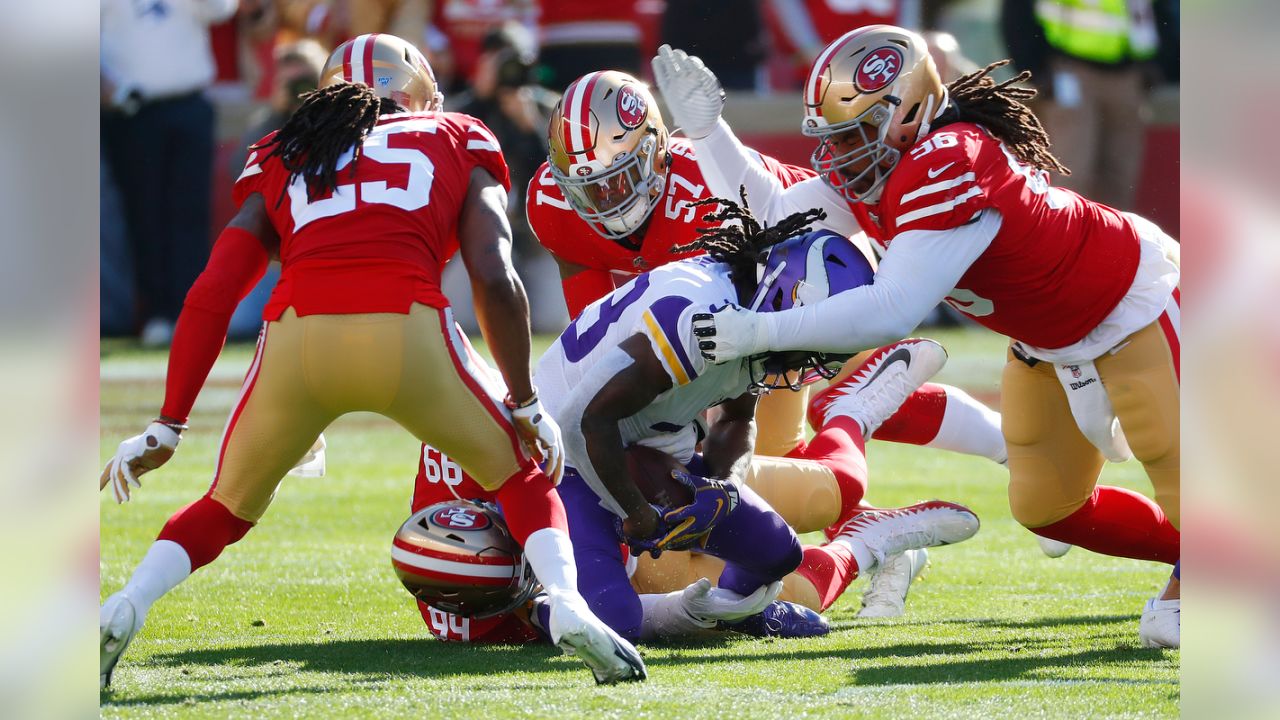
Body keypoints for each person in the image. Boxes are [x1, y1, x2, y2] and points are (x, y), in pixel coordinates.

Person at [98, 34, 646, 689]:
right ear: (419, 95)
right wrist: (525, 401)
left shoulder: (283, 148)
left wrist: (168, 424)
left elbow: (214, 289)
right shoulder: (456, 133)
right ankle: (569, 604)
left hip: (297, 340)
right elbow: (494, 275)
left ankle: (127, 603)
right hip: (407, 329)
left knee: (225, 506)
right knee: (523, 477)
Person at [661, 25, 1181, 647]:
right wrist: (706, 131)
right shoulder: (885, 168)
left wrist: (755, 330)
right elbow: (779, 216)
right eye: (832, 138)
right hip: (1047, 342)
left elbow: (891, 310)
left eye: (852, 134)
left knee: (1180, 473)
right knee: (1048, 507)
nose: (839, 154)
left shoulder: (949, 157)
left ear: (908, 113)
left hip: (1130, 306)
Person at [529, 69, 1010, 612]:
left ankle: (964, 447)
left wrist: (691, 473)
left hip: (808, 275)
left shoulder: (704, 196)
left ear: (657, 153)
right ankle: (874, 511)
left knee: (780, 447)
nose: (607, 201)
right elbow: (592, 327)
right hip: (706, 321)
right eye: (590, 189)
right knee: (748, 480)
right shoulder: (552, 203)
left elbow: (730, 384)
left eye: (619, 179)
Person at [405, 209, 982, 644]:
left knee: (777, 553)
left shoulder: (749, 315)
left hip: (651, 446)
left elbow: (736, 417)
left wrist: (719, 486)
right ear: (791, 296)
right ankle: (697, 607)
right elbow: (592, 420)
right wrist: (635, 510)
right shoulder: (699, 316)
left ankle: (742, 604)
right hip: (574, 457)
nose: (819, 363)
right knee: (616, 619)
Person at [101, 0, 240, 346]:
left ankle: (191, 311)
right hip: (130, 107)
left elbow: (222, 9)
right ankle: (158, 313)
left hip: (189, 102)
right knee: (143, 215)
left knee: (191, 213)